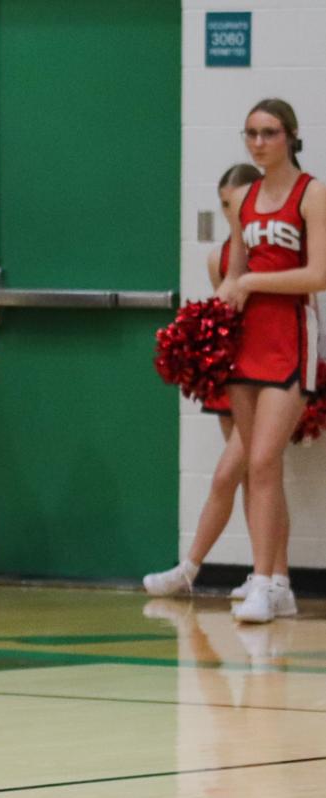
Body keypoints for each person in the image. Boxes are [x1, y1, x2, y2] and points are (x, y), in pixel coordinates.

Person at [147, 164, 282, 600]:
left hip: (277, 375)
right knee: (254, 478)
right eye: (226, 205)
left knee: (229, 474)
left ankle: (190, 568)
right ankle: (275, 578)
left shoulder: (281, 258)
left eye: (241, 203)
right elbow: (222, 324)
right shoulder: (218, 258)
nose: (234, 213)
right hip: (235, 379)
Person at [217, 99, 325, 623]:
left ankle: (262, 581)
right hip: (246, 342)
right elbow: (232, 275)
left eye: (270, 132)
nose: (259, 142)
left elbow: (317, 275)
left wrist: (253, 282)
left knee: (261, 460)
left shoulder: (313, 194)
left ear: (291, 136)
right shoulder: (244, 199)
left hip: (290, 337)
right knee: (260, 470)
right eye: (252, 133)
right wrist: (205, 324)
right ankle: (275, 581)